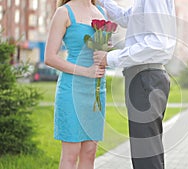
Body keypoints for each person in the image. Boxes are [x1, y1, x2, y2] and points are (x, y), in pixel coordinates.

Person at [94, 1, 176, 169]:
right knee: (147, 151)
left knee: (146, 154)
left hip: (145, 78)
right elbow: (126, 18)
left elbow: (157, 43)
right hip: (145, 77)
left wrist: (111, 58)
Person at [44, 0, 107, 168]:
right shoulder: (64, 12)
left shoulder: (101, 11)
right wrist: (86, 71)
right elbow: (50, 57)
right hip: (72, 89)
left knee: (90, 153)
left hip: (96, 91)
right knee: (70, 155)